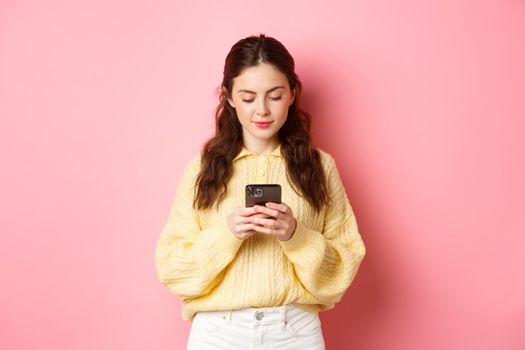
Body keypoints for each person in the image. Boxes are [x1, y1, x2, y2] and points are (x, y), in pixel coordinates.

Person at [154, 34, 366, 350]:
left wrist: (296, 235)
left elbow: (341, 271)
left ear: (293, 94)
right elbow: (173, 269)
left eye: (275, 96)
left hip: (294, 333)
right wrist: (228, 234)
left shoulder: (320, 167)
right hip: (218, 334)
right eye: (248, 97)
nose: (262, 110)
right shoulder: (201, 168)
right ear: (228, 97)